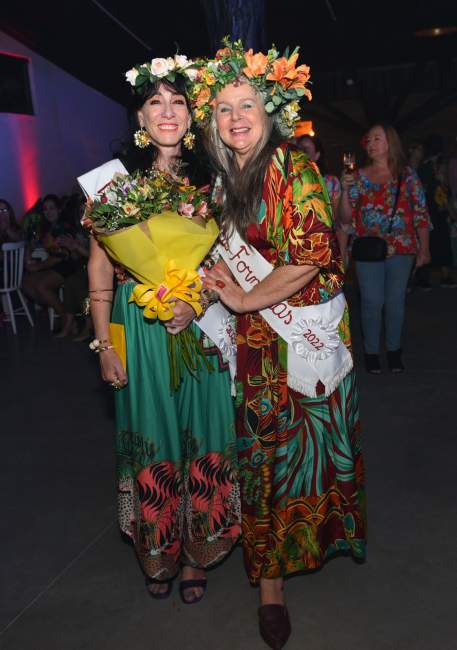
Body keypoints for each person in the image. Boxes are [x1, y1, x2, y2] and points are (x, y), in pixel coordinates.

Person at [192, 40, 366, 649]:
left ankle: (299, 549)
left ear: (270, 115)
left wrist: (240, 299)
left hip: (297, 338)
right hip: (254, 346)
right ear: (210, 120)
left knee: (303, 454)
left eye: (247, 105)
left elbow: (313, 255)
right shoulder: (222, 180)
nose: (236, 118)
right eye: (223, 109)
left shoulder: (291, 167)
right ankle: (270, 585)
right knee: (261, 456)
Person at [86, 55, 240, 604]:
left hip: (198, 326)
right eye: (156, 101)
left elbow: (224, 260)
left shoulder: (215, 180)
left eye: (177, 101)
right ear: (140, 116)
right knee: (152, 433)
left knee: (201, 430)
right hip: (138, 323)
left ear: (191, 114)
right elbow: (100, 268)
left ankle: (200, 551)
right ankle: (160, 549)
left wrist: (193, 303)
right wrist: (105, 344)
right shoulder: (113, 183)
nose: (167, 111)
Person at [338, 123, 432, 373]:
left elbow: (421, 213)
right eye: (368, 140)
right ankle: (370, 352)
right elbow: (346, 219)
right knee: (371, 301)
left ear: (391, 142)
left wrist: (425, 248)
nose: (370, 144)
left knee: (395, 301)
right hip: (368, 247)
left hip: (402, 247)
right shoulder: (357, 176)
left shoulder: (407, 174)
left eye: (377, 139)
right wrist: (345, 191)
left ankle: (393, 351)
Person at [22, 194, 86, 323]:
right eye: (45, 209)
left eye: (52, 208)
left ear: (59, 210)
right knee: (26, 284)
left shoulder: (63, 226)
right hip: (56, 265)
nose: (48, 212)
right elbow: (34, 243)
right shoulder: (48, 227)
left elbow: (61, 256)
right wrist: (30, 249)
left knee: (41, 286)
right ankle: (60, 309)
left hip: (70, 266)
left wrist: (37, 266)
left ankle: (66, 319)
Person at [295, 134, 351, 265]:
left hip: (326, 250)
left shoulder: (329, 182)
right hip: (298, 250)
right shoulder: (289, 183)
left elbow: (338, 221)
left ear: (316, 156)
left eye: (306, 149)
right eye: (299, 149)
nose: (301, 152)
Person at [417, 135, 456, 289]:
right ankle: (422, 278)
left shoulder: (436, 164)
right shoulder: (426, 166)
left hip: (437, 211)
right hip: (429, 210)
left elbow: (443, 187)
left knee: (442, 243)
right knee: (429, 243)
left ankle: (444, 276)